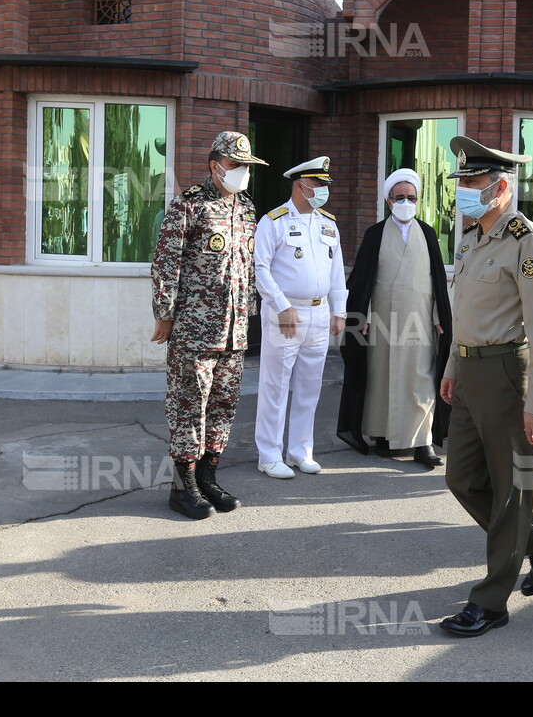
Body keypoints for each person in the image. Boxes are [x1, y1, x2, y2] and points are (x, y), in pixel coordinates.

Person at [438, 136, 533, 638]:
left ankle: (492, 601)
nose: (464, 192)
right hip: (470, 372)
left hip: (505, 373)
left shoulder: (526, 241)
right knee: (463, 479)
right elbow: (464, 315)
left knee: (512, 490)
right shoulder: (471, 239)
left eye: (472, 183)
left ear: (500, 188)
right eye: (462, 182)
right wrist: (453, 367)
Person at [151, 131, 267, 519]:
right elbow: (166, 263)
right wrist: (165, 315)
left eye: (246, 167)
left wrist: (251, 316)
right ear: (215, 165)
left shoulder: (247, 209)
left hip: (234, 331)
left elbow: (248, 269)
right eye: (236, 166)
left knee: (223, 406)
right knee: (189, 407)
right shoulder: (190, 205)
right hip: (193, 330)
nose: (242, 173)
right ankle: (182, 488)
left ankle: (207, 478)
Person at [337, 168, 452, 468]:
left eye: (410, 197)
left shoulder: (428, 233)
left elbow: (437, 280)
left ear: (418, 199)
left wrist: (441, 317)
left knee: (420, 381)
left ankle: (422, 443)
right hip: (383, 322)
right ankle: (385, 436)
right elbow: (362, 280)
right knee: (383, 381)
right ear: (389, 201)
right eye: (399, 197)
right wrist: (361, 316)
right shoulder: (374, 234)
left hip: (420, 321)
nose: (405, 202)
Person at [254, 156, 347, 479]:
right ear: (300, 185)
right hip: (285, 313)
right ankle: (269, 454)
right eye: (318, 185)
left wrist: (340, 310)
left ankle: (300, 450)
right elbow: (260, 269)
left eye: (324, 186)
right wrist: (281, 305)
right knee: (275, 385)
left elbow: (336, 272)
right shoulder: (273, 221)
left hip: (319, 312)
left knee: (310, 386)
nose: (323, 191)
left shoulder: (328, 224)